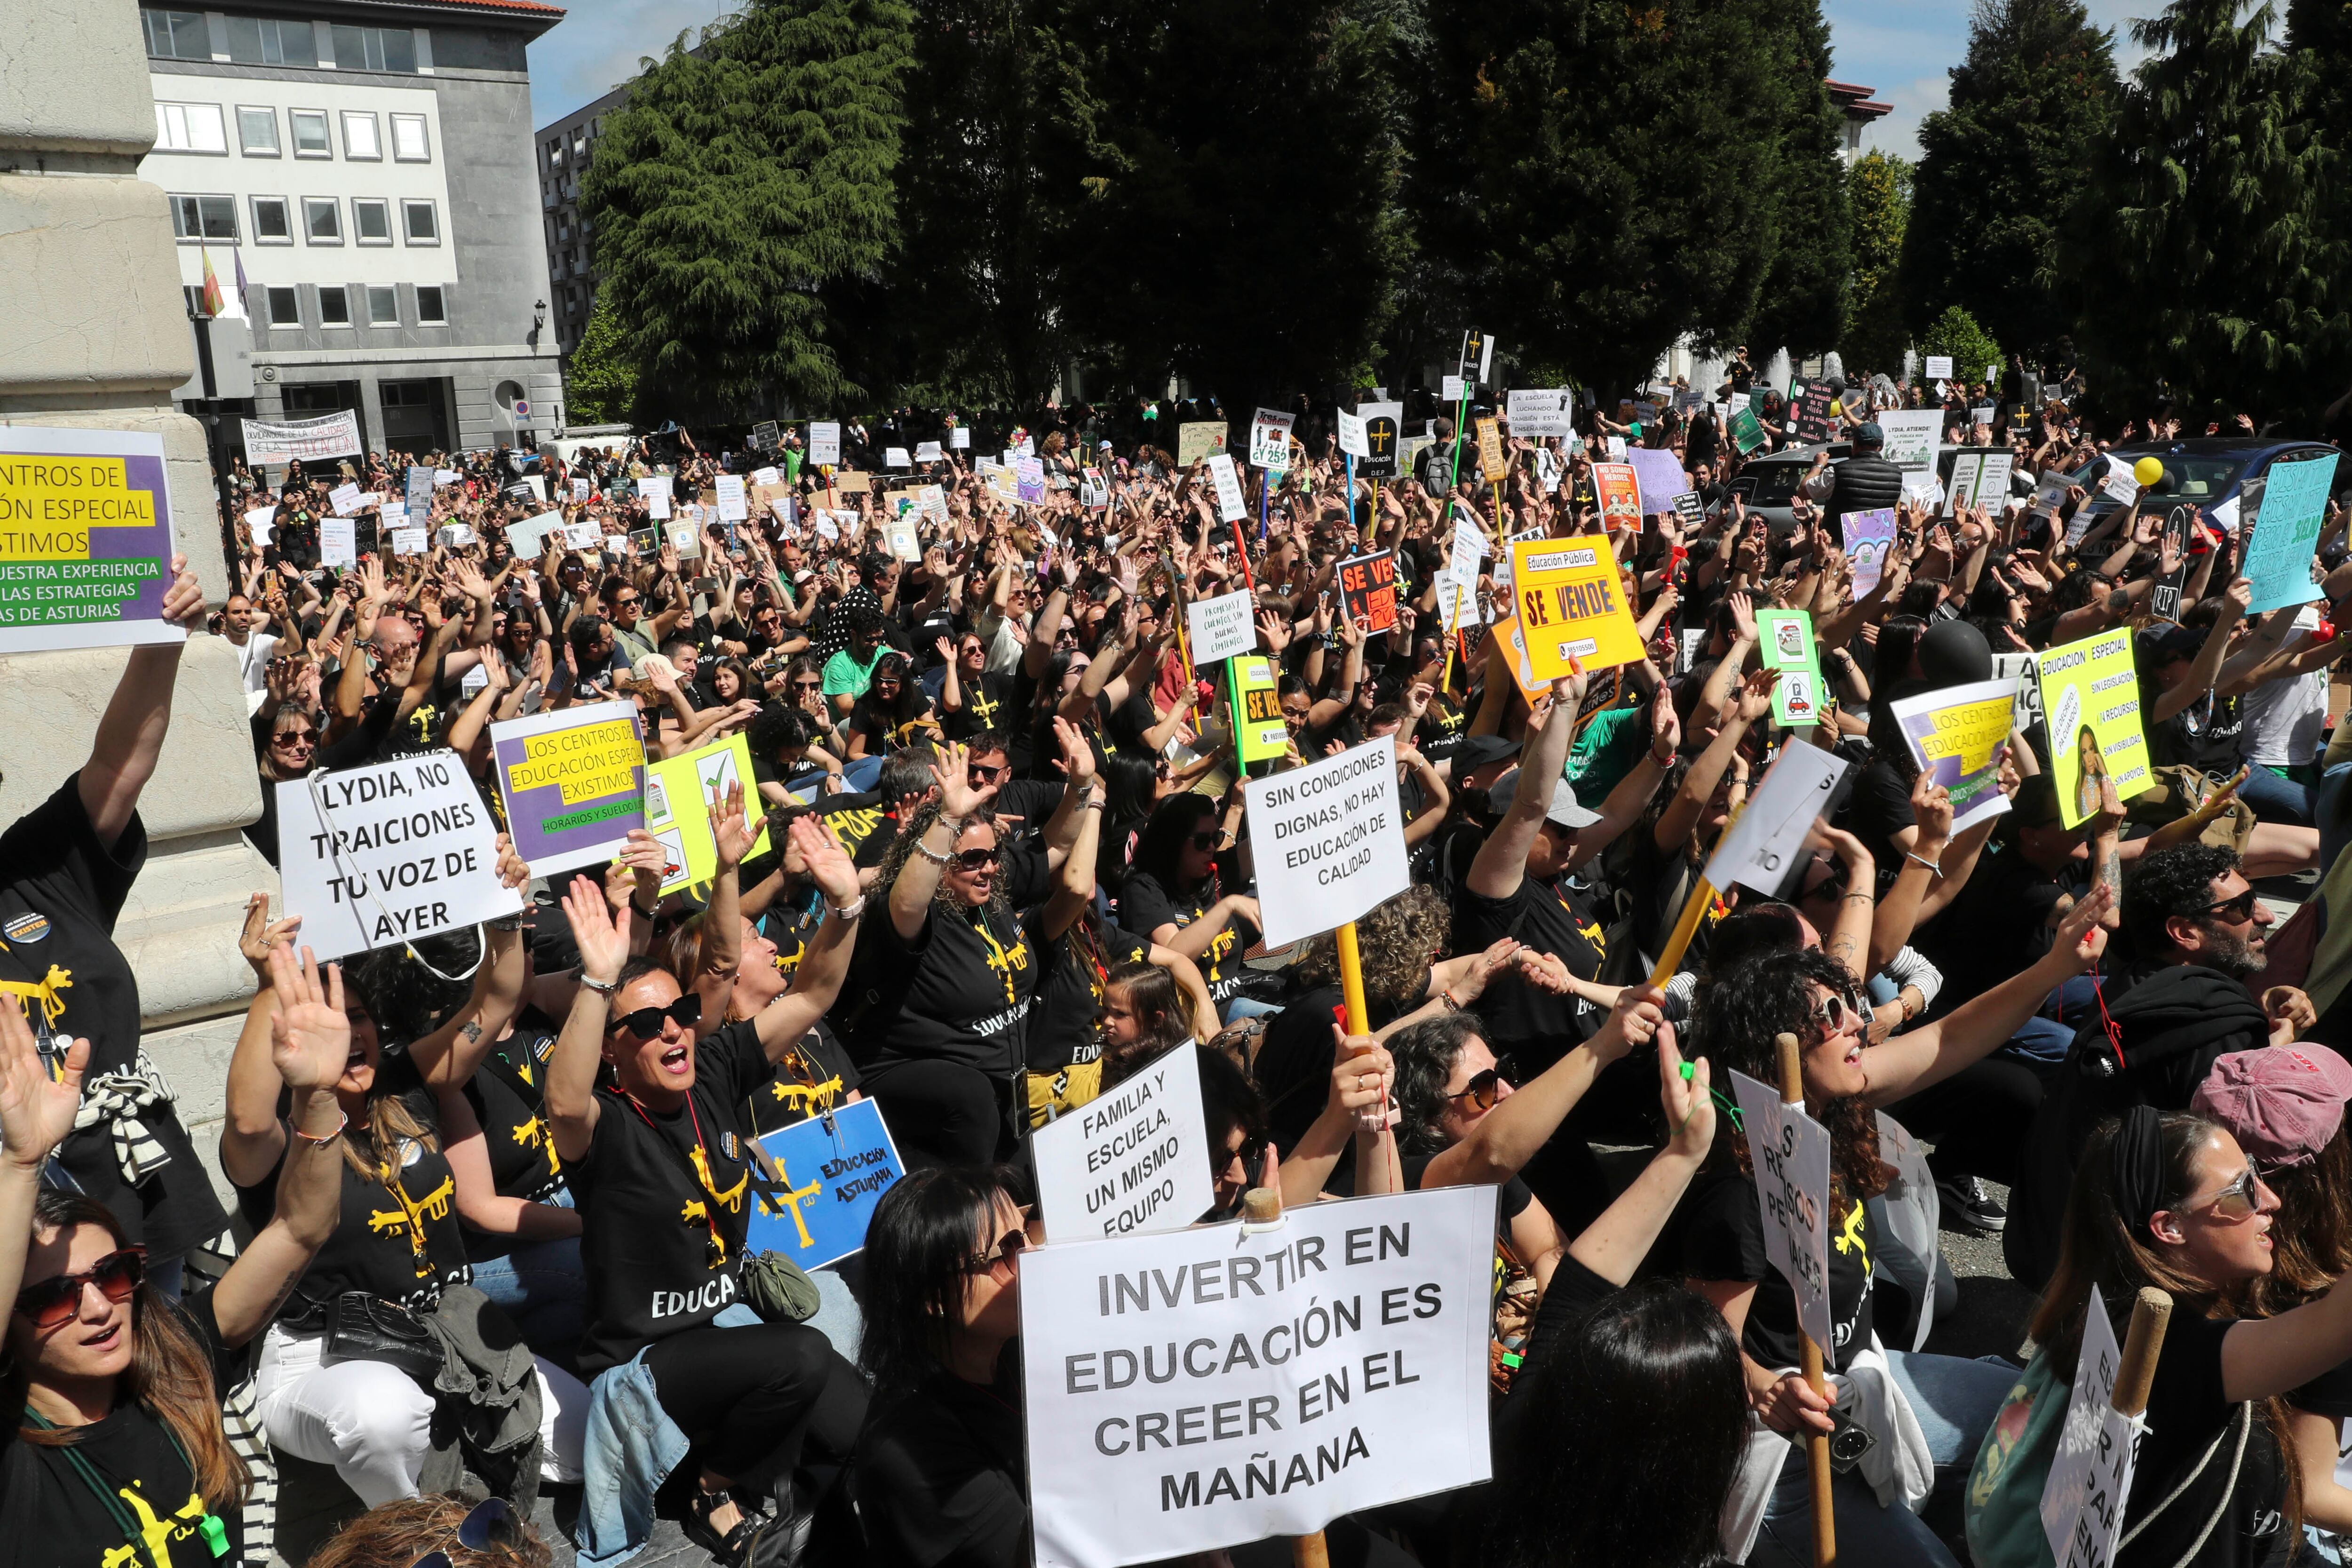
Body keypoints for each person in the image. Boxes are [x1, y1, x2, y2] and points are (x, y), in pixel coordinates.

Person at [1685, 888, 2111, 1568]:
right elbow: (1704, 1349)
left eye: (1851, 1004)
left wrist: (2056, 967)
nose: (1858, 1023)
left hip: (1863, 1381)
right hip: (1786, 1455)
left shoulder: (1831, 1099)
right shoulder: (1736, 1180)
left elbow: (1949, 1036)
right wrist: (1769, 1384)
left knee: (2052, 1417)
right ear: (1776, 1043)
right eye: (1832, 1013)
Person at [547, 802, 870, 1563]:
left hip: (729, 1331)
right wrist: (598, 979)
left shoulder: (717, 1068)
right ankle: (711, 1487)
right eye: (648, 1023)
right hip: (645, 1359)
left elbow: (813, 993)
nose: (673, 1029)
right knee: (801, 1357)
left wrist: (847, 902)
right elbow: (562, 1099)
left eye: (684, 1012)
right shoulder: (605, 1124)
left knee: (863, 1433)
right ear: (613, 1054)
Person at [0, 947, 344, 1568]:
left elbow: (300, 1227)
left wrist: (318, 1097)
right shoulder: (15, 1461)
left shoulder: (174, 1362)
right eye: (54, 1298)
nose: (100, 1307)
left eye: (113, 1273)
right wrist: (23, 1165)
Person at [1967, 1106, 2352, 1568]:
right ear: (2168, 1227)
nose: (2270, 1200)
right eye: (2242, 1189)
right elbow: (2338, 1324)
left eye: (2255, 1173)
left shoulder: (2104, 1297)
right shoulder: (2168, 1350)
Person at [1, 555, 229, 1293]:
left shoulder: (35, 868)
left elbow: (122, 761)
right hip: (20, 1241)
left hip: (137, 1202)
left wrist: (162, 636)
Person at [2007, 845, 2314, 1289]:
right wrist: (2275, 1048)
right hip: (2130, 1266)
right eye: (2243, 907)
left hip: (2053, 1240)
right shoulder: (2213, 1022)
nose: (2265, 916)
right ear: (2185, 931)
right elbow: (2234, 1170)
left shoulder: (2133, 986)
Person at [848, 740, 1096, 1167]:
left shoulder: (989, 889)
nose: (990, 867)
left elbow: (1053, 847)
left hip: (1005, 1092)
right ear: (941, 861)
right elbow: (906, 904)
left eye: (995, 854)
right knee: (972, 1097)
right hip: (932, 1090)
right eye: (974, 859)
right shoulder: (916, 912)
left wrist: (1082, 785)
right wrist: (947, 818)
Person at [850, 1167, 1030, 1568]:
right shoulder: (912, 1450)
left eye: (1026, 1231)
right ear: (935, 1296)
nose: (1034, 1257)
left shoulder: (1012, 1350)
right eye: (1009, 1249)